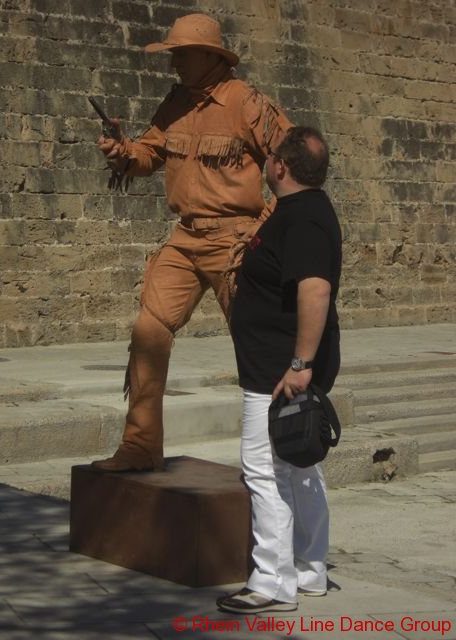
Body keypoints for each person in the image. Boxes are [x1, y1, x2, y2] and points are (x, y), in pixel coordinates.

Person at [91, 13, 292, 472]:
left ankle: (279, 453)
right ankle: (140, 446)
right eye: (173, 54)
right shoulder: (176, 102)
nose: (174, 63)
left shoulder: (246, 103)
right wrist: (123, 152)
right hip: (185, 239)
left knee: (256, 344)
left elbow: (294, 162)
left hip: (236, 243)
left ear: (209, 56)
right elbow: (149, 154)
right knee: (148, 332)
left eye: (181, 55)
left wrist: (264, 226)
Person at [217, 126, 342, 613]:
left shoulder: (304, 218)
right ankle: (309, 570)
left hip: (277, 370)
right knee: (299, 464)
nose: (265, 161)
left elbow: (315, 290)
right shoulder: (302, 210)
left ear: (281, 167)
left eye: (270, 156)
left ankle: (271, 582)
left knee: (264, 469)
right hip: (280, 364)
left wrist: (299, 364)